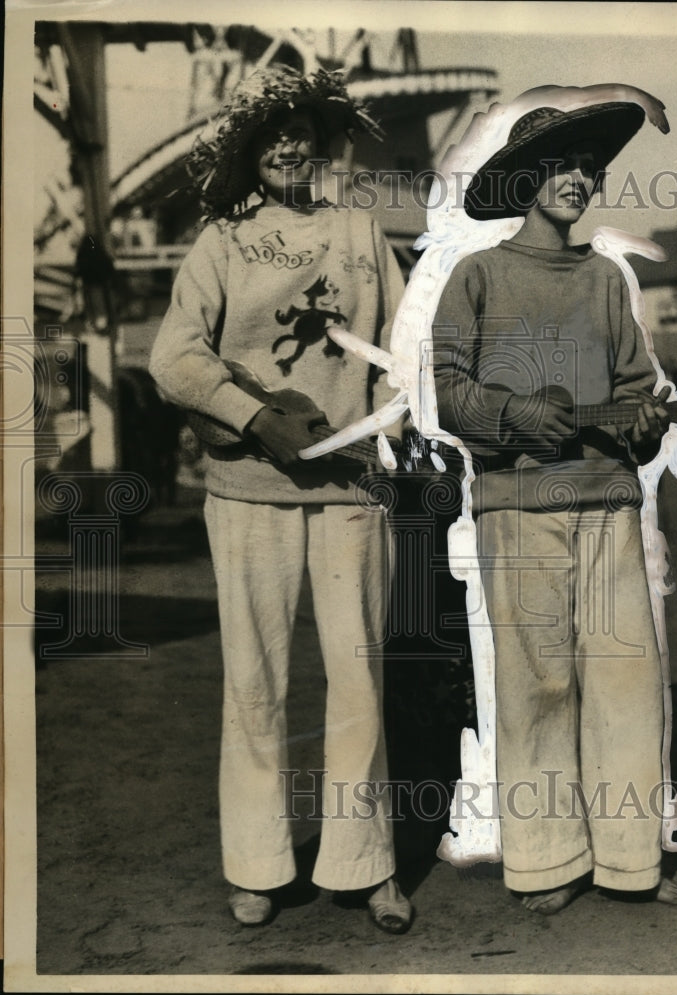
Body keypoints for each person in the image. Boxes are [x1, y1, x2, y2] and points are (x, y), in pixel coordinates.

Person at [149, 65, 412, 933]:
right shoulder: (221, 241)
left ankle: (363, 864)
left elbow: (400, 352)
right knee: (255, 679)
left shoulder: (360, 229)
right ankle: (258, 863)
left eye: (300, 129)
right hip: (250, 489)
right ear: (250, 155)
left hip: (352, 486)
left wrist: (390, 432)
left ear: (322, 139)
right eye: (271, 136)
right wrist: (252, 415)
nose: (289, 145)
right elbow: (175, 361)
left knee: (358, 675)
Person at [432, 88, 677, 914]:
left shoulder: (607, 280)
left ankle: (627, 860)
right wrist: (514, 414)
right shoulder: (476, 276)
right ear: (524, 180)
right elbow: (449, 396)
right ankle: (544, 862)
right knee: (538, 684)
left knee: (623, 679)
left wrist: (644, 425)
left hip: (606, 502)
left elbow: (634, 393)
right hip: (517, 507)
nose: (577, 178)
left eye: (588, 166)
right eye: (560, 165)